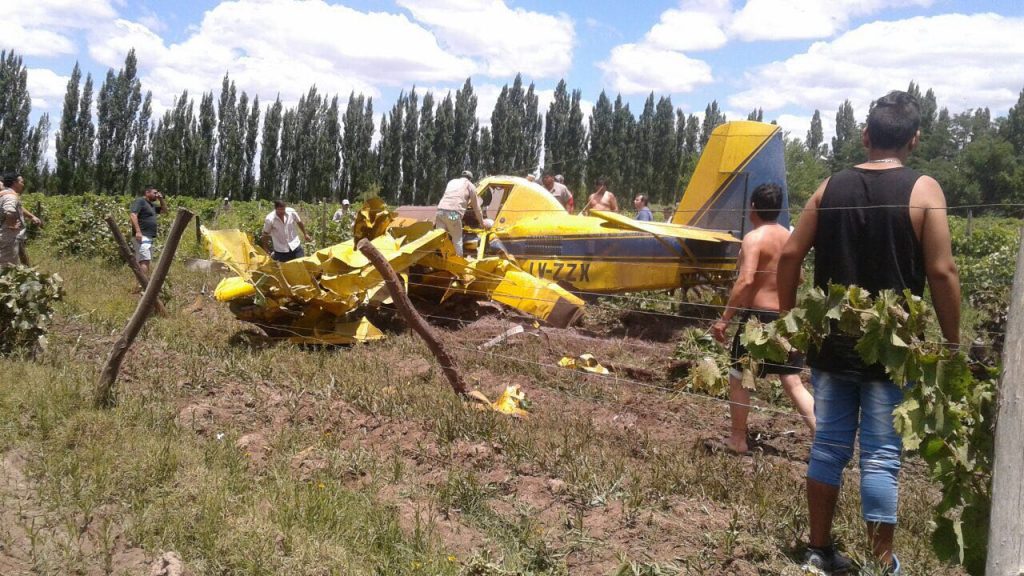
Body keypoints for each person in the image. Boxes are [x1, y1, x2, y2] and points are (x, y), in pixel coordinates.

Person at [778, 90, 961, 575]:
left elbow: (789, 255)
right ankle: (880, 566)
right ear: (914, 139)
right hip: (892, 349)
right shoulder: (925, 191)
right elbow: (942, 272)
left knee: (829, 446)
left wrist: (789, 319)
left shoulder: (829, 186)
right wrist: (953, 343)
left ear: (865, 135)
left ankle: (818, 551)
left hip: (832, 345)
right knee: (881, 457)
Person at [710, 183, 815, 455]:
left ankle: (738, 440)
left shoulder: (754, 238)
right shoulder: (789, 238)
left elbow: (745, 279)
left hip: (758, 320)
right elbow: (800, 278)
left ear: (753, 207)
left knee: (739, 377)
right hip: (787, 318)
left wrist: (724, 319)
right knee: (792, 381)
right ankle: (826, 440)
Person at [435, 170, 485, 257]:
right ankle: (459, 262)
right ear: (470, 179)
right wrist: (482, 223)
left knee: (439, 239)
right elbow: (476, 207)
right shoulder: (470, 185)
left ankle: (439, 259)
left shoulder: (452, 182)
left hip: (440, 211)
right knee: (457, 239)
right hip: (453, 214)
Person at [0, 173, 42, 267]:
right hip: (9, 237)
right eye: (21, 182)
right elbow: (9, 211)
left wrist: (32, 217)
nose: (23, 184)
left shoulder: (5, 194)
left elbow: (18, 207)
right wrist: (12, 225)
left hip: (10, 236)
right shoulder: (10, 196)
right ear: (15, 183)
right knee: (7, 268)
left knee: (19, 261)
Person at [129, 185, 166, 275]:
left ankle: (141, 285)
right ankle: (143, 284)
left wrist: (161, 199)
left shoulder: (152, 205)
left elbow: (164, 211)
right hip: (142, 236)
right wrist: (138, 231)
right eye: (154, 193)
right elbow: (133, 215)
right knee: (144, 260)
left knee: (145, 260)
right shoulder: (140, 201)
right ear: (147, 193)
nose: (156, 195)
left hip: (148, 237)